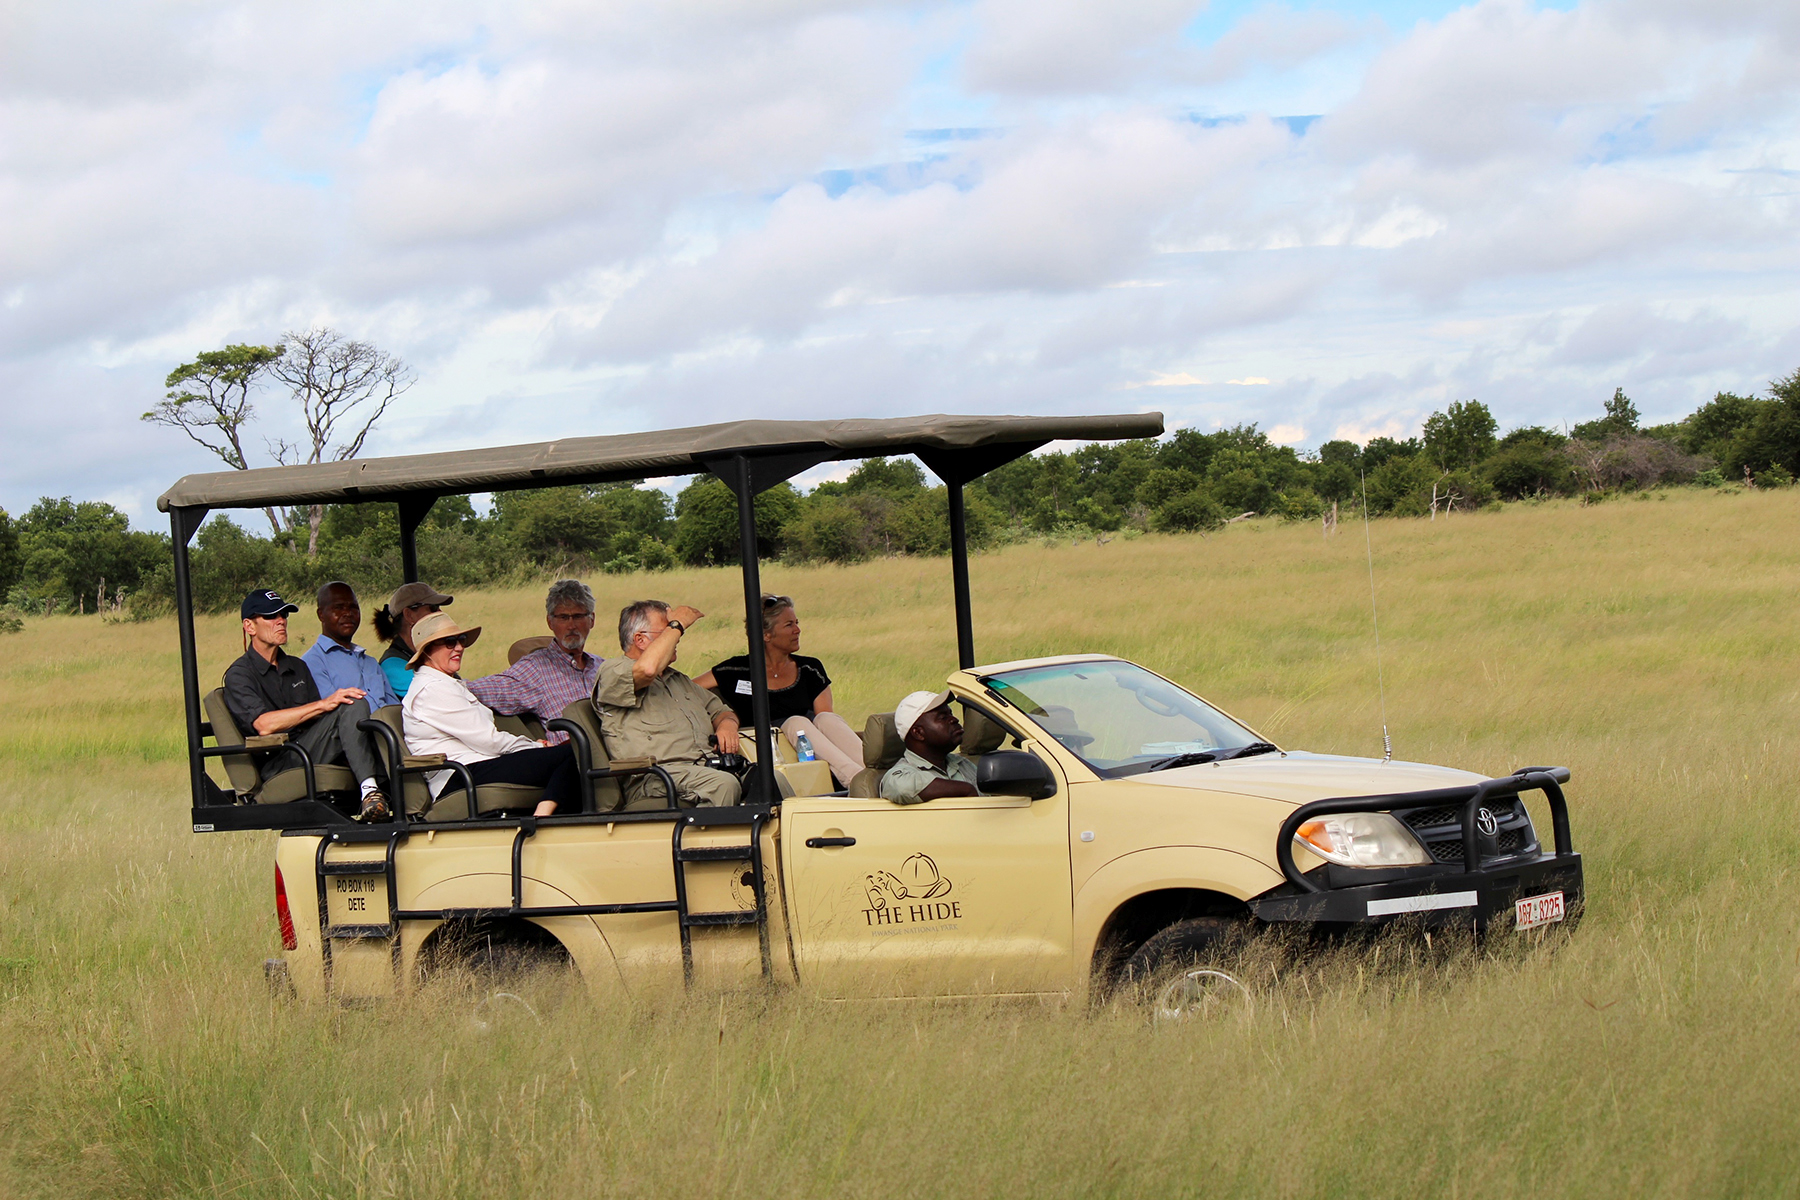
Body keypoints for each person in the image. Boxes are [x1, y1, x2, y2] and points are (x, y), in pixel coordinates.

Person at [222, 588, 391, 821]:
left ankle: (393, 788)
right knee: (349, 703)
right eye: (271, 616)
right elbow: (264, 725)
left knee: (355, 704)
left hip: (308, 747)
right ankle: (371, 791)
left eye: (284, 615)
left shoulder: (296, 667)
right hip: (281, 759)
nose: (281, 621)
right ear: (249, 626)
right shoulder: (239, 675)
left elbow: (317, 722)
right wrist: (324, 704)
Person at [401, 613, 578, 818]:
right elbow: (489, 741)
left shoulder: (447, 683)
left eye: (461, 640)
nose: (459, 647)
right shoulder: (432, 689)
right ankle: (541, 819)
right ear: (427, 651)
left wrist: (534, 748)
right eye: (449, 642)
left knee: (575, 753)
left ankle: (548, 817)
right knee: (573, 753)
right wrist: (536, 747)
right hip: (459, 775)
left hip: (479, 766)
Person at [694, 594, 863, 787]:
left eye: (796, 623)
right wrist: (722, 724)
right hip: (766, 752)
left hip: (816, 753)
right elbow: (685, 689)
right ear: (766, 635)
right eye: (789, 625)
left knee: (827, 719)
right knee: (797, 722)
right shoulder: (735, 671)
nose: (797, 630)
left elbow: (825, 719)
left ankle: (875, 773)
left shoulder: (810, 668)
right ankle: (856, 779)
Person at [593, 600, 741, 807]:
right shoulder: (613, 671)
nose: (676, 637)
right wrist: (678, 623)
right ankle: (711, 838)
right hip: (655, 777)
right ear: (640, 639)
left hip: (703, 768)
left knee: (771, 777)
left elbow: (721, 711)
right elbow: (647, 670)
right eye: (667, 631)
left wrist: (727, 726)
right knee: (722, 785)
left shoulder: (678, 680)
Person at [468, 579, 602, 744]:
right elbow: (484, 690)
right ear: (549, 622)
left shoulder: (602, 667)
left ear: (592, 620)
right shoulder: (536, 669)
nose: (571, 625)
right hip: (579, 760)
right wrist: (445, 681)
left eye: (578, 616)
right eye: (563, 617)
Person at [300, 581, 399, 711]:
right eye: (339, 607)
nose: (348, 613)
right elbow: (334, 718)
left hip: (388, 728)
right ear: (321, 615)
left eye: (353, 607)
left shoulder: (370, 663)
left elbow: (395, 708)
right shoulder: (313, 662)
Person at [879, 690, 978, 805]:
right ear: (918, 733)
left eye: (950, 713)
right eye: (942, 717)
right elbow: (901, 788)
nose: (954, 719)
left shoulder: (962, 764)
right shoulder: (898, 775)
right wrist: (966, 790)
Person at [373, 581, 452, 699]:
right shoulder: (392, 666)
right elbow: (441, 696)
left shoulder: (425, 653)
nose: (440, 613)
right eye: (433, 608)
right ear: (409, 615)